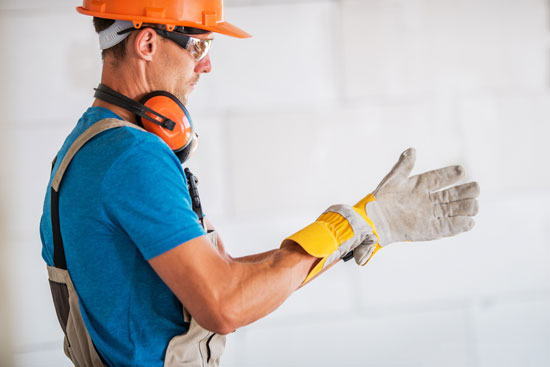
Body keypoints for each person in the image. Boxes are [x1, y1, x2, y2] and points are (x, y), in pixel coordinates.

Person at [40, 1, 480, 366]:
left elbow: (230, 277)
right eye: (199, 44)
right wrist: (346, 225)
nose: (207, 64)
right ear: (148, 43)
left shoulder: (86, 146)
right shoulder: (133, 157)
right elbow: (225, 303)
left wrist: (364, 225)